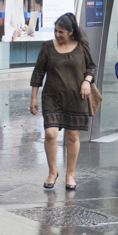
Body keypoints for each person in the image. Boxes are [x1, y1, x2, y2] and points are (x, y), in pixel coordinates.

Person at [30, 13, 96, 190]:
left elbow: (91, 67)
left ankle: (70, 174)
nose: (57, 35)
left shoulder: (81, 46)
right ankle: (53, 172)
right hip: (52, 97)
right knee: (51, 133)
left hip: (76, 97)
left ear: (71, 32)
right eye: (55, 31)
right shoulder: (47, 47)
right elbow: (38, 72)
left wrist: (86, 81)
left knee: (72, 136)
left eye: (61, 32)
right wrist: (33, 97)